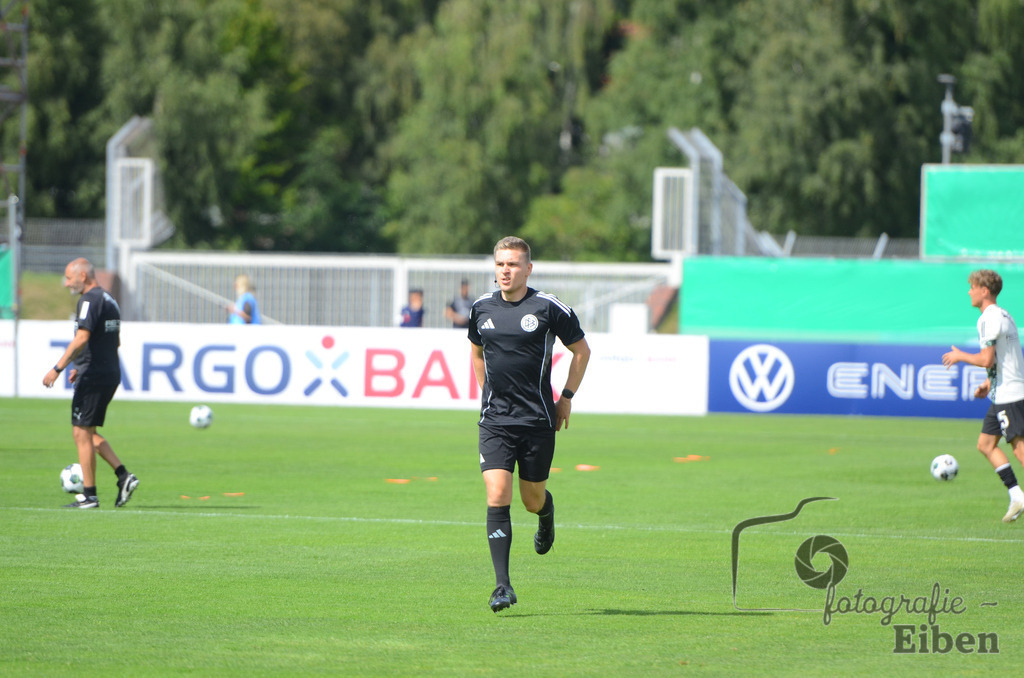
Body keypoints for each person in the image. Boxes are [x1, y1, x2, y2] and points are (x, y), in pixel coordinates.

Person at [468, 236, 591, 612]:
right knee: (496, 494)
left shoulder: (548, 307)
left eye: (513, 264)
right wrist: (486, 394)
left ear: (528, 269)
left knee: (531, 500)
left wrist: (566, 397)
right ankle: (502, 586)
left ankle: (546, 514)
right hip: (495, 422)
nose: (505, 271)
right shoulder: (481, 308)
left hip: (537, 421)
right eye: (500, 264)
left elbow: (581, 351)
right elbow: (476, 353)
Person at [42, 258, 139, 509]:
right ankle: (123, 476)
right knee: (88, 433)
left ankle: (89, 495)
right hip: (106, 371)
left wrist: (58, 368)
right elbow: (109, 340)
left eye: (69, 278)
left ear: (82, 276)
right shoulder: (108, 299)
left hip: (95, 375)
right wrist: (81, 364)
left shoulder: (89, 300)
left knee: (81, 432)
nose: (66, 283)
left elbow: (82, 337)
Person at [942, 269, 1024, 523]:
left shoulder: (989, 318)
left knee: (1020, 450)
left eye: (972, 287)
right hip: (1001, 391)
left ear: (984, 291)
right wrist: (989, 382)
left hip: (1010, 394)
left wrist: (960, 356)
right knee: (986, 444)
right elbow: (1004, 358)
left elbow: (987, 359)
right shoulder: (1003, 314)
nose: (969, 291)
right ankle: (1017, 495)